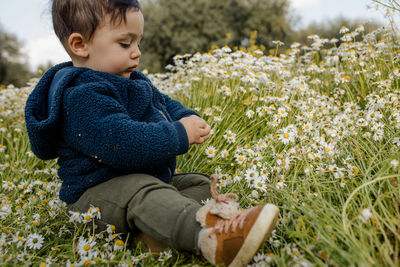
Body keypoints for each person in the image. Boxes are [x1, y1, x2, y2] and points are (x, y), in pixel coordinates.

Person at [24, 0, 279, 266]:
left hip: (138, 183)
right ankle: (213, 238)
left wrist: (185, 116)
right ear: (80, 45)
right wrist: (179, 134)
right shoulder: (81, 96)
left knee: (197, 184)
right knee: (144, 193)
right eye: (125, 44)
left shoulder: (131, 79)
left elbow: (163, 102)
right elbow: (122, 144)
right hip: (95, 200)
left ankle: (153, 236)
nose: (136, 52)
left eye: (138, 42)